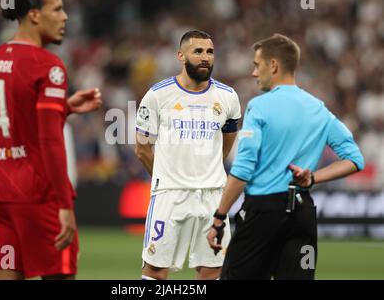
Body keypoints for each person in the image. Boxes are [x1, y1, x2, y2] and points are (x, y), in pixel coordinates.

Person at [207, 33, 365, 280]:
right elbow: (355, 159)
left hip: (262, 212)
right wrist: (312, 178)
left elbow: (244, 169)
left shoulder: (259, 107)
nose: (254, 73)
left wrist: (219, 217)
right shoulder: (319, 109)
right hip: (302, 213)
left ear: (273, 65)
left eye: (257, 65)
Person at [0, 0, 102, 280]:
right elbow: (50, 141)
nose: (65, 17)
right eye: (57, 9)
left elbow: (13, 121)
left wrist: (65, 107)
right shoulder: (48, 65)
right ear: (34, 15)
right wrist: (64, 203)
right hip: (37, 195)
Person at [135, 30, 242, 280]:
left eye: (210, 52)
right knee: (156, 271)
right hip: (170, 196)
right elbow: (142, 148)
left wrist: (208, 168)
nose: (205, 57)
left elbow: (227, 142)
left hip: (213, 197)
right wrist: (166, 176)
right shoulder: (157, 95)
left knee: (212, 272)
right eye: (198, 51)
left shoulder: (228, 97)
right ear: (181, 56)